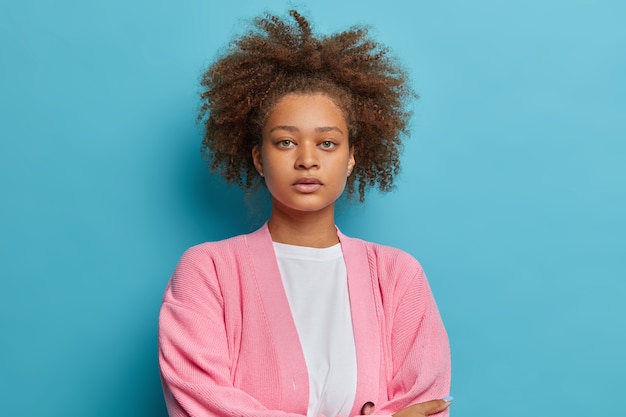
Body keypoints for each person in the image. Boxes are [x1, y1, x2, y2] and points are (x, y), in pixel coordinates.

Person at [158, 10, 452, 417]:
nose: (308, 160)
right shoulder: (207, 272)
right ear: (259, 158)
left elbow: (425, 407)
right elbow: (204, 405)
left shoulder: (399, 277)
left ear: (352, 158)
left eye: (328, 143)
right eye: (285, 143)